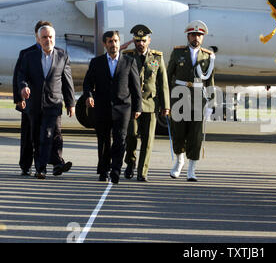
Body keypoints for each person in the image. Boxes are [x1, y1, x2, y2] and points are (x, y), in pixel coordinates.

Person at [83, 31, 142, 184]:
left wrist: (138, 107)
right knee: (103, 140)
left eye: (115, 41)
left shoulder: (129, 62)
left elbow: (135, 87)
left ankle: (116, 170)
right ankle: (104, 170)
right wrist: (89, 95)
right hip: (102, 108)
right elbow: (88, 82)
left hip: (123, 108)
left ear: (119, 42)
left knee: (120, 140)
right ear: (105, 44)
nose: (113, 44)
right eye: (110, 41)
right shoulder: (96, 62)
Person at [17, 25, 76, 179]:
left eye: (50, 37)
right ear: (38, 39)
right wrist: (23, 88)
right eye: (44, 37)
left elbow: (67, 81)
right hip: (34, 104)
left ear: (54, 38)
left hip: (53, 103)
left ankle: (43, 168)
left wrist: (71, 103)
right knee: (36, 137)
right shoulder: (29, 56)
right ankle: (44, 166)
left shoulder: (62, 56)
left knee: (49, 134)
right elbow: (21, 75)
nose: (48, 40)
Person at [167, 20, 215, 182]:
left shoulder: (208, 56)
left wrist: (211, 104)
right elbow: (168, 76)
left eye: (199, 35)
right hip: (179, 96)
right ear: (188, 36)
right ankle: (179, 161)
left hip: (198, 98)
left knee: (195, 134)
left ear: (203, 38)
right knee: (178, 131)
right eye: (193, 35)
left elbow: (210, 81)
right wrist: (166, 100)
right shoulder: (177, 53)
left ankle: (192, 169)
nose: (196, 38)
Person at [123, 25, 170, 182]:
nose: (140, 43)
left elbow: (162, 82)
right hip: (131, 104)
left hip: (150, 104)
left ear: (149, 40)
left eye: (143, 40)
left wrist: (166, 105)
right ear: (134, 41)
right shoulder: (127, 56)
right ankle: (130, 162)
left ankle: (142, 172)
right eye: (137, 40)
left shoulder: (157, 58)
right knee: (130, 136)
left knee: (148, 140)